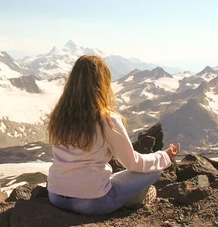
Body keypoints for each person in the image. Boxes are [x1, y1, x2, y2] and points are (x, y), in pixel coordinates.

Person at [47, 55, 180, 216]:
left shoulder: (60, 115)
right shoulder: (107, 119)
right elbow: (133, 163)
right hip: (91, 203)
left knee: (115, 177)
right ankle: (135, 199)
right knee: (154, 170)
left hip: (55, 196)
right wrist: (164, 157)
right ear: (102, 83)